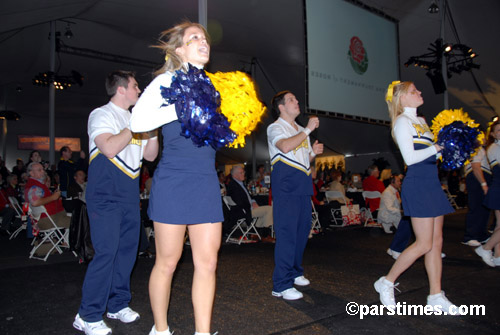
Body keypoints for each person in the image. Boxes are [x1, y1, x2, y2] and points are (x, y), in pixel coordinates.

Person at [130, 21, 231, 335]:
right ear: (179, 49)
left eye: (205, 37)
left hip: (204, 182)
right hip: (173, 181)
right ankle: (160, 329)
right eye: (194, 38)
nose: (203, 41)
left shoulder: (213, 87)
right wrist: (179, 107)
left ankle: (203, 332)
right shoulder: (167, 81)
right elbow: (138, 120)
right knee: (167, 262)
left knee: (208, 263)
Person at [73, 70, 158, 335]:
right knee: (107, 252)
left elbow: (151, 156)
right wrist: (134, 126)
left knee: (126, 253)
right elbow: (108, 148)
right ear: (121, 89)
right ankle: (87, 315)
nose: (139, 91)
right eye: (135, 86)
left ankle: (117, 304)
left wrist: (152, 130)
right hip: (105, 193)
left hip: (129, 195)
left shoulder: (136, 119)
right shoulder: (101, 114)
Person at [374, 81, 456, 313]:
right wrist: (437, 148)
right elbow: (410, 158)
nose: (419, 93)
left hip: (432, 183)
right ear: (402, 99)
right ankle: (386, 282)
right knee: (424, 243)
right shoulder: (402, 122)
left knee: (436, 243)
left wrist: (448, 153)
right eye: (414, 91)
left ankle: (435, 295)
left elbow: (429, 155)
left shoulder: (422, 122)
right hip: (417, 184)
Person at [267, 90, 323, 300]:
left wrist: (312, 153)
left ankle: (295, 271)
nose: (297, 101)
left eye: (295, 98)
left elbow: (302, 159)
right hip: (286, 186)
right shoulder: (275, 127)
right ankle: (281, 285)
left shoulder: (300, 129)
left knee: (302, 232)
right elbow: (285, 146)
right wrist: (308, 130)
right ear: (281, 107)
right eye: (292, 99)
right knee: (287, 234)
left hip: (302, 184)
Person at [475, 120, 500, 267]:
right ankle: (485, 248)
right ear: (492, 134)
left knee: (499, 226)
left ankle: (497, 256)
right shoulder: (494, 148)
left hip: (497, 187)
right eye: (498, 130)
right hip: (498, 186)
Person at [227, 165, 274, 237]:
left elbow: (248, 197)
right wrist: (251, 205)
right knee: (269, 209)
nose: (244, 174)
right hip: (243, 211)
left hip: (247, 208)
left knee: (264, 208)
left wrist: (253, 202)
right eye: (241, 173)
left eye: (243, 172)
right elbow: (239, 202)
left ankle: (257, 231)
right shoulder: (233, 186)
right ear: (235, 175)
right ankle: (265, 235)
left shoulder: (240, 183)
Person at [24, 162, 70, 233]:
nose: (43, 171)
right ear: (31, 173)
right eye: (39, 170)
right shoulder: (34, 186)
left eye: (43, 169)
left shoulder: (36, 184)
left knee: (76, 220)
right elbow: (35, 202)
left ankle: (66, 242)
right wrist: (53, 197)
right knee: (78, 222)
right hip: (48, 219)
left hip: (50, 218)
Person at [462, 145, 491, 246]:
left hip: (484, 176)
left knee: (484, 208)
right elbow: (475, 166)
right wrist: (483, 184)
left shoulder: (483, 148)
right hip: (477, 178)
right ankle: (470, 236)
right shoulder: (476, 147)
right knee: (476, 206)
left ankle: (481, 234)